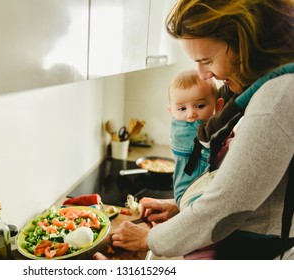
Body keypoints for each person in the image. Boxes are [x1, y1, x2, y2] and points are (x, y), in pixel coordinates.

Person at [112, 0, 294, 260]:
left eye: (207, 60)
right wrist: (182, 207)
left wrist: (149, 239)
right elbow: (251, 185)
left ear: (244, 42)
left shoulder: (276, 99)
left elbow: (226, 207)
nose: (204, 74)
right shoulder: (272, 85)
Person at [168, 69, 226, 209]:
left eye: (199, 106)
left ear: (218, 106)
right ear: (172, 111)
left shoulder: (209, 126)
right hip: (190, 194)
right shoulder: (184, 131)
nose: (190, 115)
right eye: (182, 109)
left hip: (200, 192)